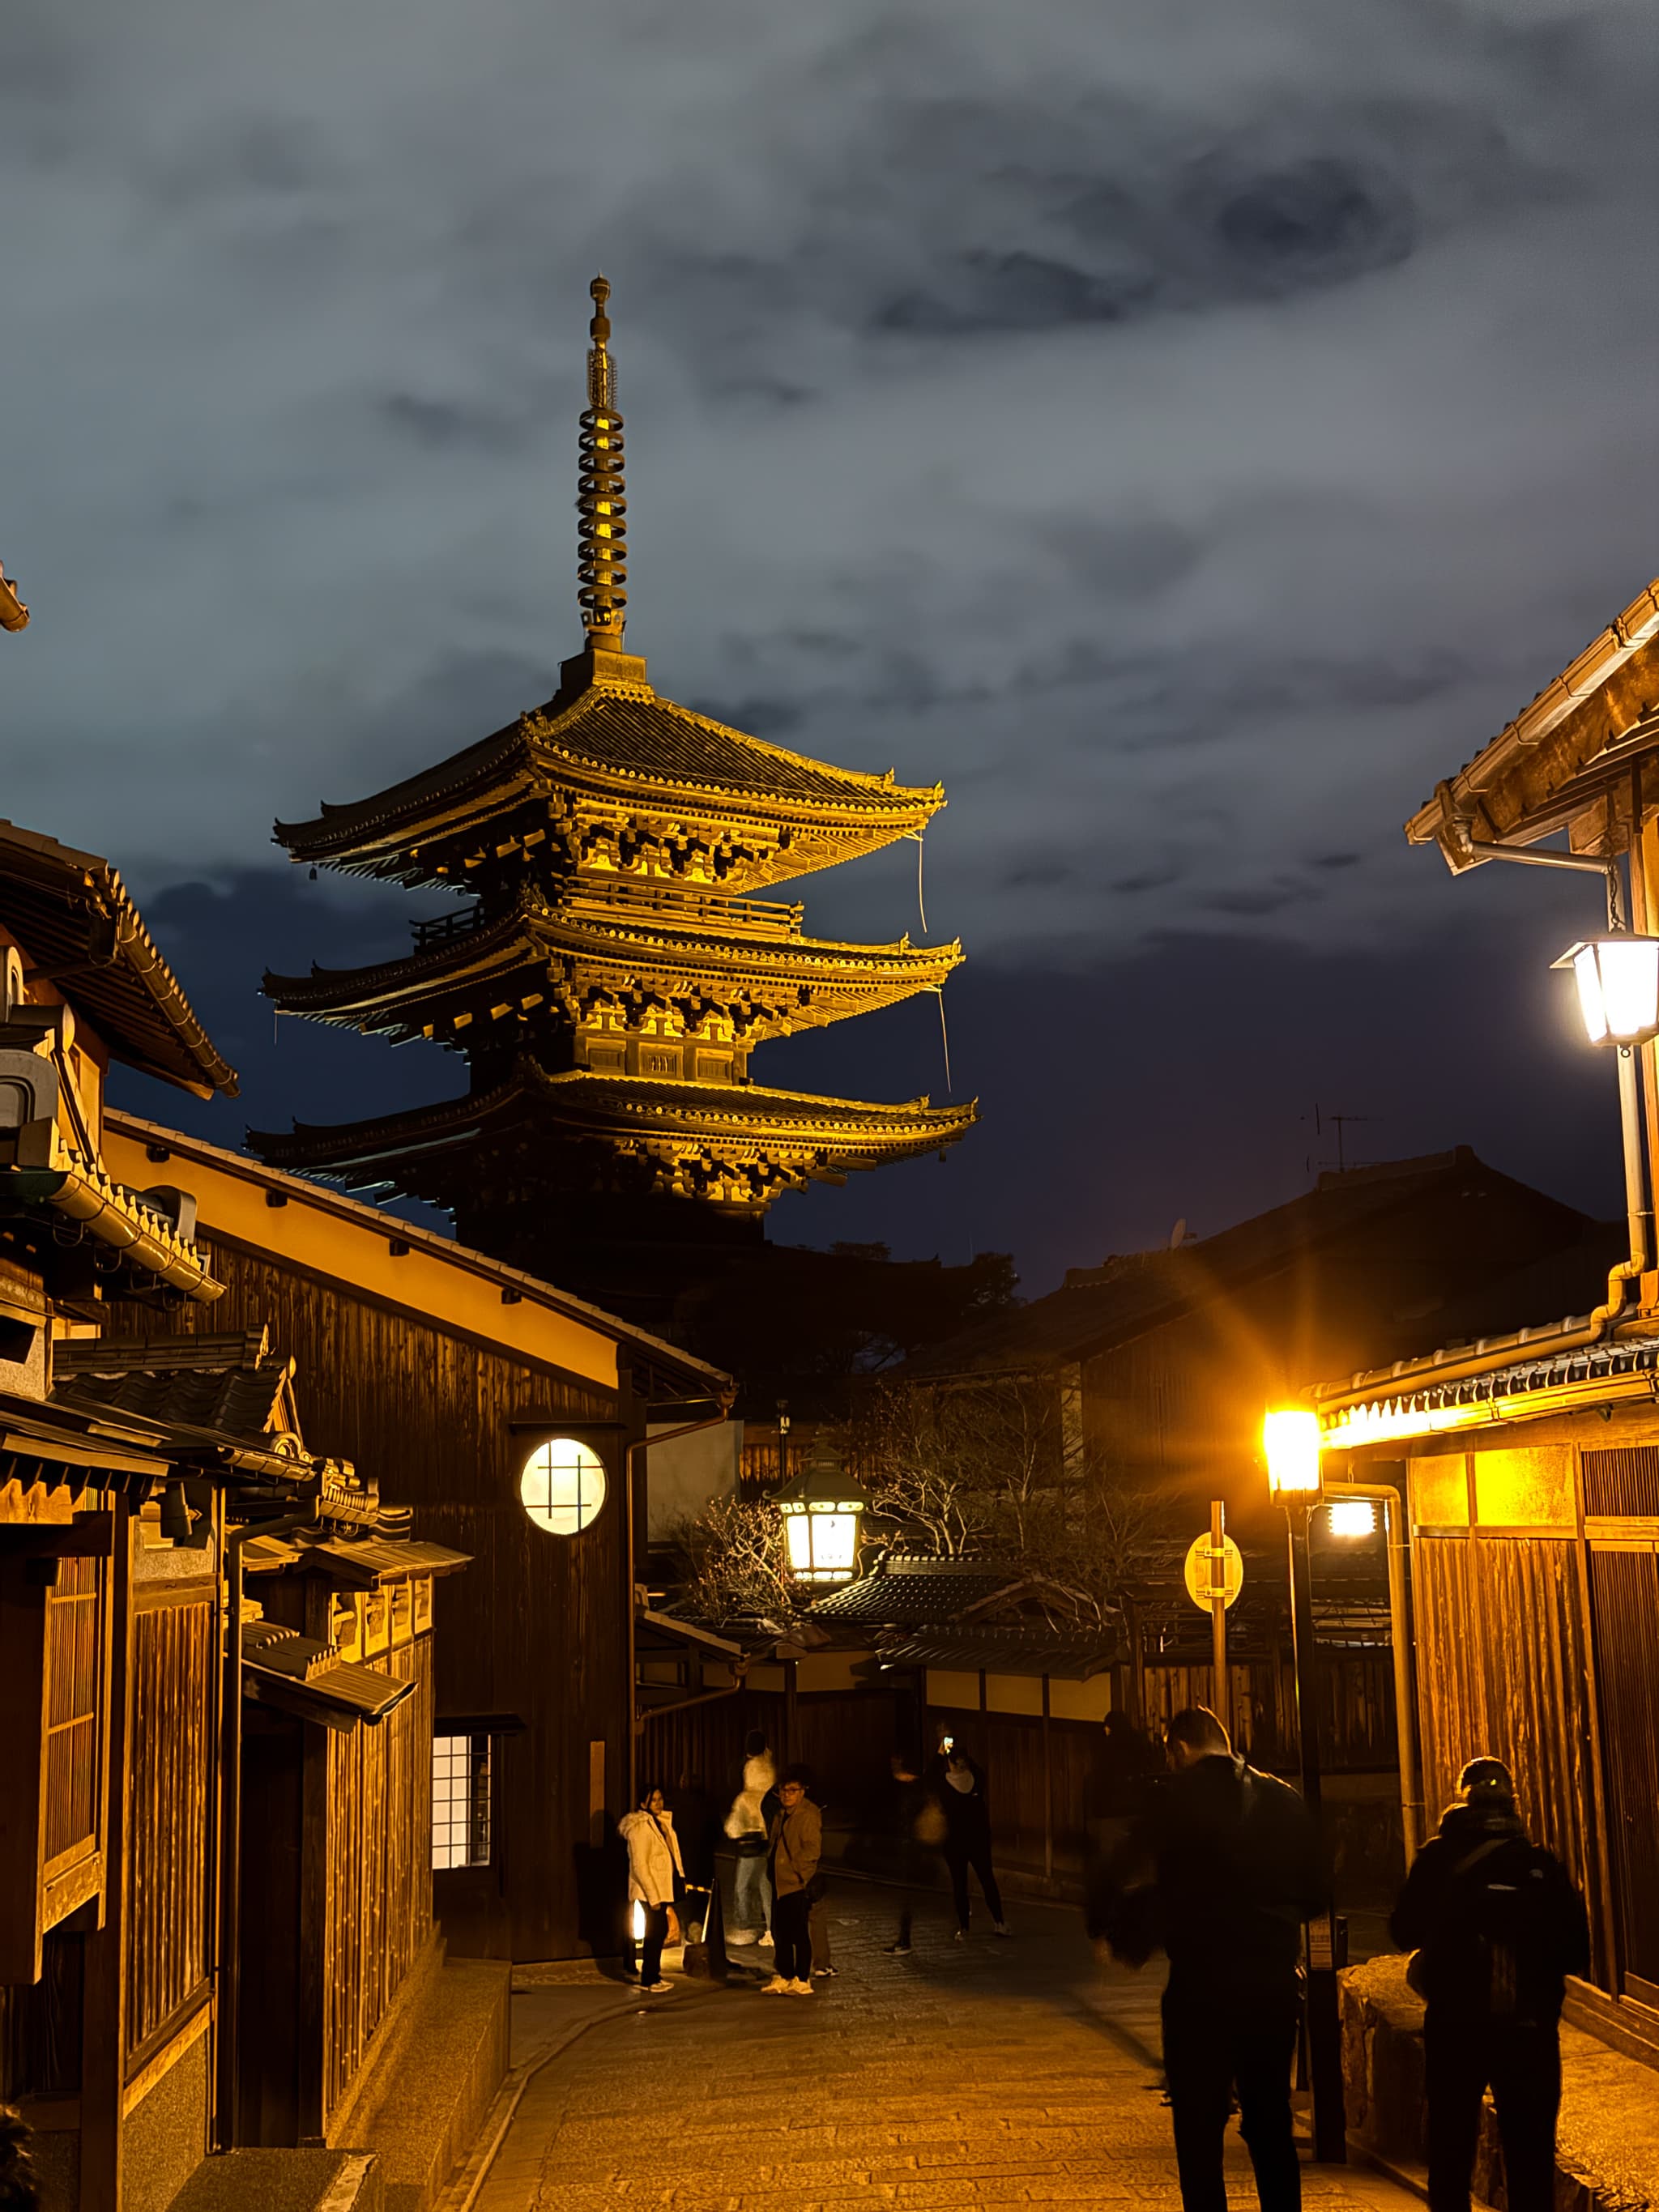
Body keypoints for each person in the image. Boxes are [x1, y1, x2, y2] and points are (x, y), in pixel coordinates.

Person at [1092, 1704, 1326, 2212]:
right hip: (1270, 1986)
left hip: (1200, 1987)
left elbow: (1116, 1872)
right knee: (1270, 2122)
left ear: (1178, 1750)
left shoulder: (1172, 1801)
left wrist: (1112, 1928)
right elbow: (1317, 1894)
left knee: (1198, 2132)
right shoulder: (1282, 1799)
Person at [1390, 1755, 1589, 2212]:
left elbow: (1404, 1930)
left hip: (1456, 2029)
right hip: (1529, 2030)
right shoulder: (1541, 1864)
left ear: (1464, 1799)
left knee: (1450, 2152)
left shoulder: (1439, 1859)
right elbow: (1576, 1953)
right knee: (1530, 2158)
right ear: (1513, 1801)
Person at [936, 1745, 1009, 1940]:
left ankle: (964, 1928)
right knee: (987, 1879)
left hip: (954, 1841)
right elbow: (979, 1771)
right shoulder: (976, 1780)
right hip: (978, 1838)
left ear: (949, 1763)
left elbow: (929, 1778)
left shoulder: (944, 1784)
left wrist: (940, 1754)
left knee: (960, 1884)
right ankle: (999, 1922)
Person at [617, 1782, 683, 1994]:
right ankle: (648, 1977)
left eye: (660, 1799)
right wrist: (653, 1896)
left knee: (659, 1931)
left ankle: (654, 1974)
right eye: (653, 1800)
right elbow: (640, 1864)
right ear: (643, 1802)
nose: (658, 1803)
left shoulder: (661, 1823)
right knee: (655, 1932)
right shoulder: (640, 1827)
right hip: (648, 1891)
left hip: (662, 1888)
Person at [761, 1766, 822, 1996]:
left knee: (798, 1933)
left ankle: (802, 1977)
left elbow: (812, 1850)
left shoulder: (808, 1814)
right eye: (783, 1790)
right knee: (780, 1932)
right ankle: (785, 1974)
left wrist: (798, 1872)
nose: (787, 1794)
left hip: (795, 1883)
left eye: (792, 1790)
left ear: (802, 1791)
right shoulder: (780, 1814)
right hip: (778, 1883)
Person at [884, 1749, 944, 1956]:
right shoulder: (922, 1786)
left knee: (906, 1897)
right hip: (915, 1847)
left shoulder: (909, 1791)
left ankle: (904, 1940)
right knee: (907, 1897)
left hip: (910, 1848)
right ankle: (903, 1938)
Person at [723, 1729, 775, 1948]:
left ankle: (745, 1926)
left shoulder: (745, 1799)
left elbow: (731, 1828)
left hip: (748, 1846)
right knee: (767, 1888)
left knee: (742, 1887)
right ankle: (772, 1928)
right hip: (768, 1844)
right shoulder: (771, 1794)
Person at [1086, 1710, 1159, 1860]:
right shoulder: (1140, 1741)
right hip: (1137, 1807)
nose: (1105, 1730)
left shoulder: (1107, 1746)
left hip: (1112, 1810)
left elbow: (1101, 1777)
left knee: (1112, 1855)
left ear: (1110, 1726)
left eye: (1106, 1726)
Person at [668, 1770, 719, 1939]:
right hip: (703, 1858)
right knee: (702, 1894)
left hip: (682, 1857)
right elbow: (717, 1832)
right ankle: (697, 1925)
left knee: (684, 1894)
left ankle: (684, 1926)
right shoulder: (709, 1804)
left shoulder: (675, 1805)